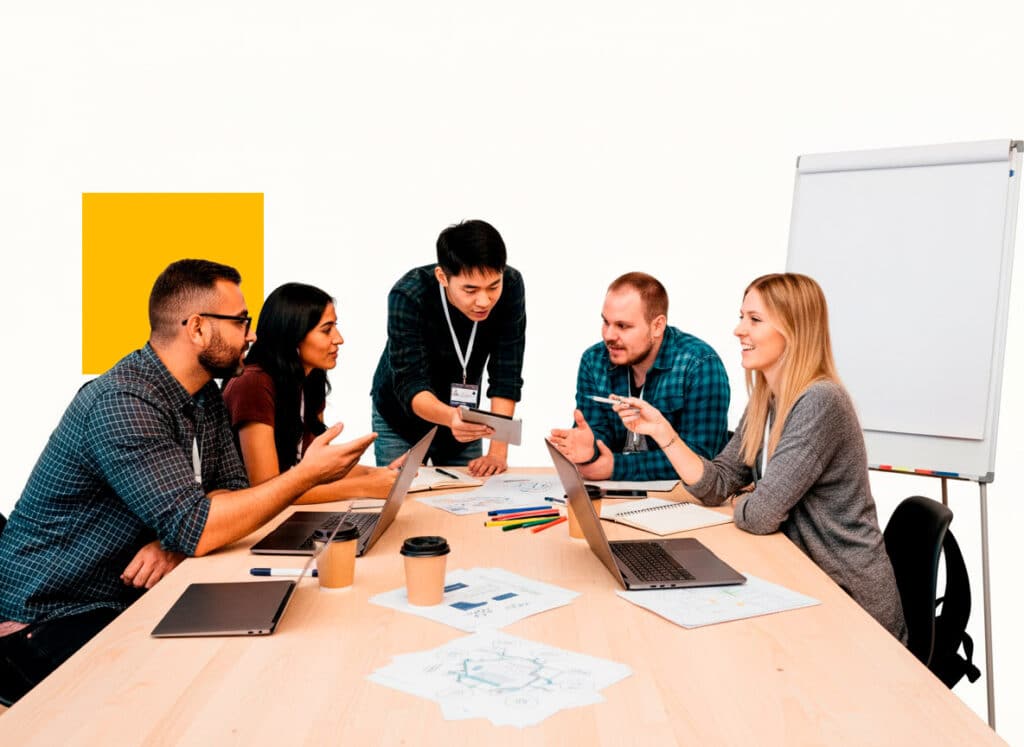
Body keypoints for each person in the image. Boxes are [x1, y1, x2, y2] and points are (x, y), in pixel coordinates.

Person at [0, 260, 376, 704]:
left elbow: (231, 495)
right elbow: (200, 524)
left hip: (124, 595)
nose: (251, 335)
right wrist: (303, 477)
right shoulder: (124, 402)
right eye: (240, 322)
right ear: (197, 329)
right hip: (49, 613)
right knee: (192, 690)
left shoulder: (204, 395)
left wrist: (177, 539)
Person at [611, 273, 906, 640]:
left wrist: (751, 499)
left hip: (848, 601)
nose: (738, 330)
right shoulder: (766, 399)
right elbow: (716, 486)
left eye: (754, 319)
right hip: (801, 580)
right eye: (741, 317)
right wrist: (664, 434)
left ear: (793, 330)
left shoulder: (821, 401)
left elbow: (762, 516)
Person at [371, 219, 526, 476]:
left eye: (492, 286)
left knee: (466, 498)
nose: (484, 301)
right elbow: (411, 383)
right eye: (470, 289)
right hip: (401, 416)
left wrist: (498, 450)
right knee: (401, 499)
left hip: (463, 418)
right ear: (442, 277)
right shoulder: (408, 295)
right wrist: (453, 418)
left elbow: (506, 371)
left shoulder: (510, 286)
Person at [223, 282, 396, 502]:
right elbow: (266, 490)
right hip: (257, 519)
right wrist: (364, 487)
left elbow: (312, 468)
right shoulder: (253, 383)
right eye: (326, 330)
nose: (339, 339)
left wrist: (380, 474)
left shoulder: (310, 377)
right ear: (293, 335)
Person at [549, 272, 729, 481]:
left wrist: (616, 467)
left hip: (682, 501)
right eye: (606, 322)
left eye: (623, 326)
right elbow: (598, 432)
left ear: (657, 326)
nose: (608, 335)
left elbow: (701, 459)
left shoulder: (699, 364)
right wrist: (590, 449)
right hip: (616, 497)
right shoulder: (594, 360)